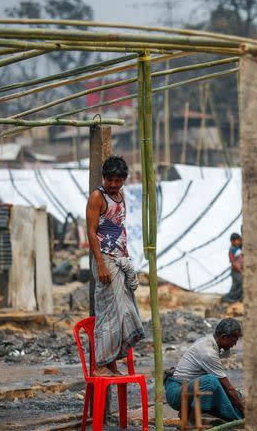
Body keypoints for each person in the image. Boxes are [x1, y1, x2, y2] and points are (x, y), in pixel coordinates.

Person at [85, 155, 145, 377]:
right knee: (108, 313)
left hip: (119, 259)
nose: (114, 184)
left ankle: (111, 361)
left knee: (124, 311)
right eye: (110, 180)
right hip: (105, 259)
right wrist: (100, 264)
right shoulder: (97, 197)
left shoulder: (120, 196)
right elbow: (91, 232)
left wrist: (126, 256)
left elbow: (120, 227)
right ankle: (101, 363)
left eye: (118, 180)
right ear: (104, 178)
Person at [165, 318, 245, 422]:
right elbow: (229, 388)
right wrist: (244, 409)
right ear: (224, 337)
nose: (234, 344)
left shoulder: (209, 341)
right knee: (210, 382)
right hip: (176, 393)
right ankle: (191, 421)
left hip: (187, 388)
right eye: (234, 341)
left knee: (233, 395)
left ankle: (188, 412)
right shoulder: (208, 353)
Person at [221, 233, 244, 303]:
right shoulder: (232, 250)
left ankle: (237, 299)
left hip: (239, 270)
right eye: (238, 240)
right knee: (240, 283)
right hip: (236, 271)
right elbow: (233, 263)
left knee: (236, 286)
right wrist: (240, 270)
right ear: (233, 241)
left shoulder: (239, 248)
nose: (239, 242)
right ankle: (227, 298)